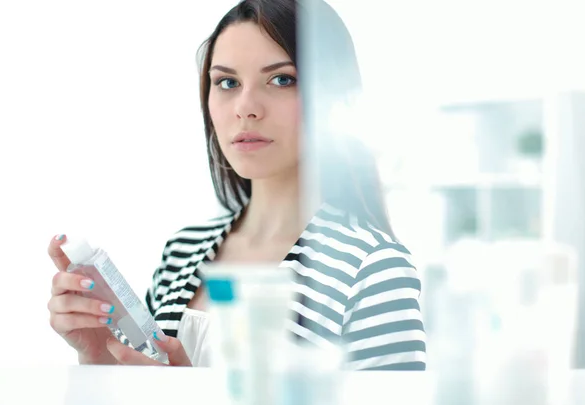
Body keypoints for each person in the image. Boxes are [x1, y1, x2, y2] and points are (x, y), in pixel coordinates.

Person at [47, 0, 427, 371]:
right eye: (227, 82)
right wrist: (99, 359)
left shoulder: (374, 270)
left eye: (282, 79)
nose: (246, 107)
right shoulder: (183, 252)